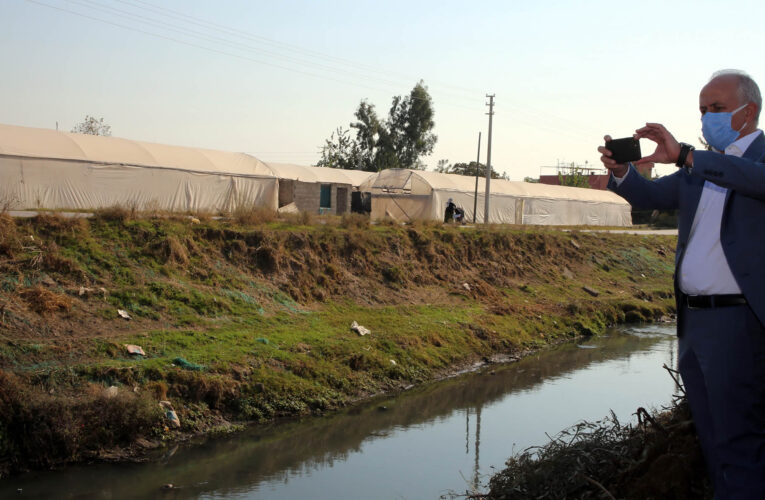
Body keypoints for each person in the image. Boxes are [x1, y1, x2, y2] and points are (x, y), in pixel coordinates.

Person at [598, 69, 765, 499]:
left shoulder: (750, 159)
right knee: (712, 439)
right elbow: (651, 197)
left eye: (717, 109)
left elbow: (749, 179)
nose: (708, 117)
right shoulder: (699, 168)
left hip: (739, 323)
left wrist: (688, 154)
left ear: (748, 112)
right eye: (702, 110)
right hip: (694, 324)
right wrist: (623, 173)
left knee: (739, 440)